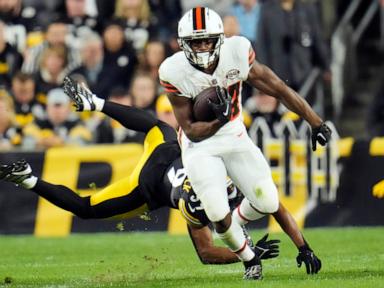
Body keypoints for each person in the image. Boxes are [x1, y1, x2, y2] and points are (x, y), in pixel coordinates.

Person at [0, 77, 321, 273]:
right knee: (86, 207)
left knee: (157, 125)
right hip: (150, 183)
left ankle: (88, 109)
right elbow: (208, 253)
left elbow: (267, 206)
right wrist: (248, 255)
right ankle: (33, 173)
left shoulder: (217, 183)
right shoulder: (201, 206)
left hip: (164, 154)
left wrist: (287, 247)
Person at [159, 7, 331, 280]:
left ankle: (235, 223)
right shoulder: (173, 70)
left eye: (207, 41)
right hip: (199, 145)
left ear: (220, 39)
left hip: (234, 133)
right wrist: (218, 121)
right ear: (183, 44)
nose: (202, 48)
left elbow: (280, 89)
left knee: (267, 199)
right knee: (215, 209)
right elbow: (191, 130)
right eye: (196, 42)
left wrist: (316, 122)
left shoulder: (236, 52)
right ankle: (250, 259)